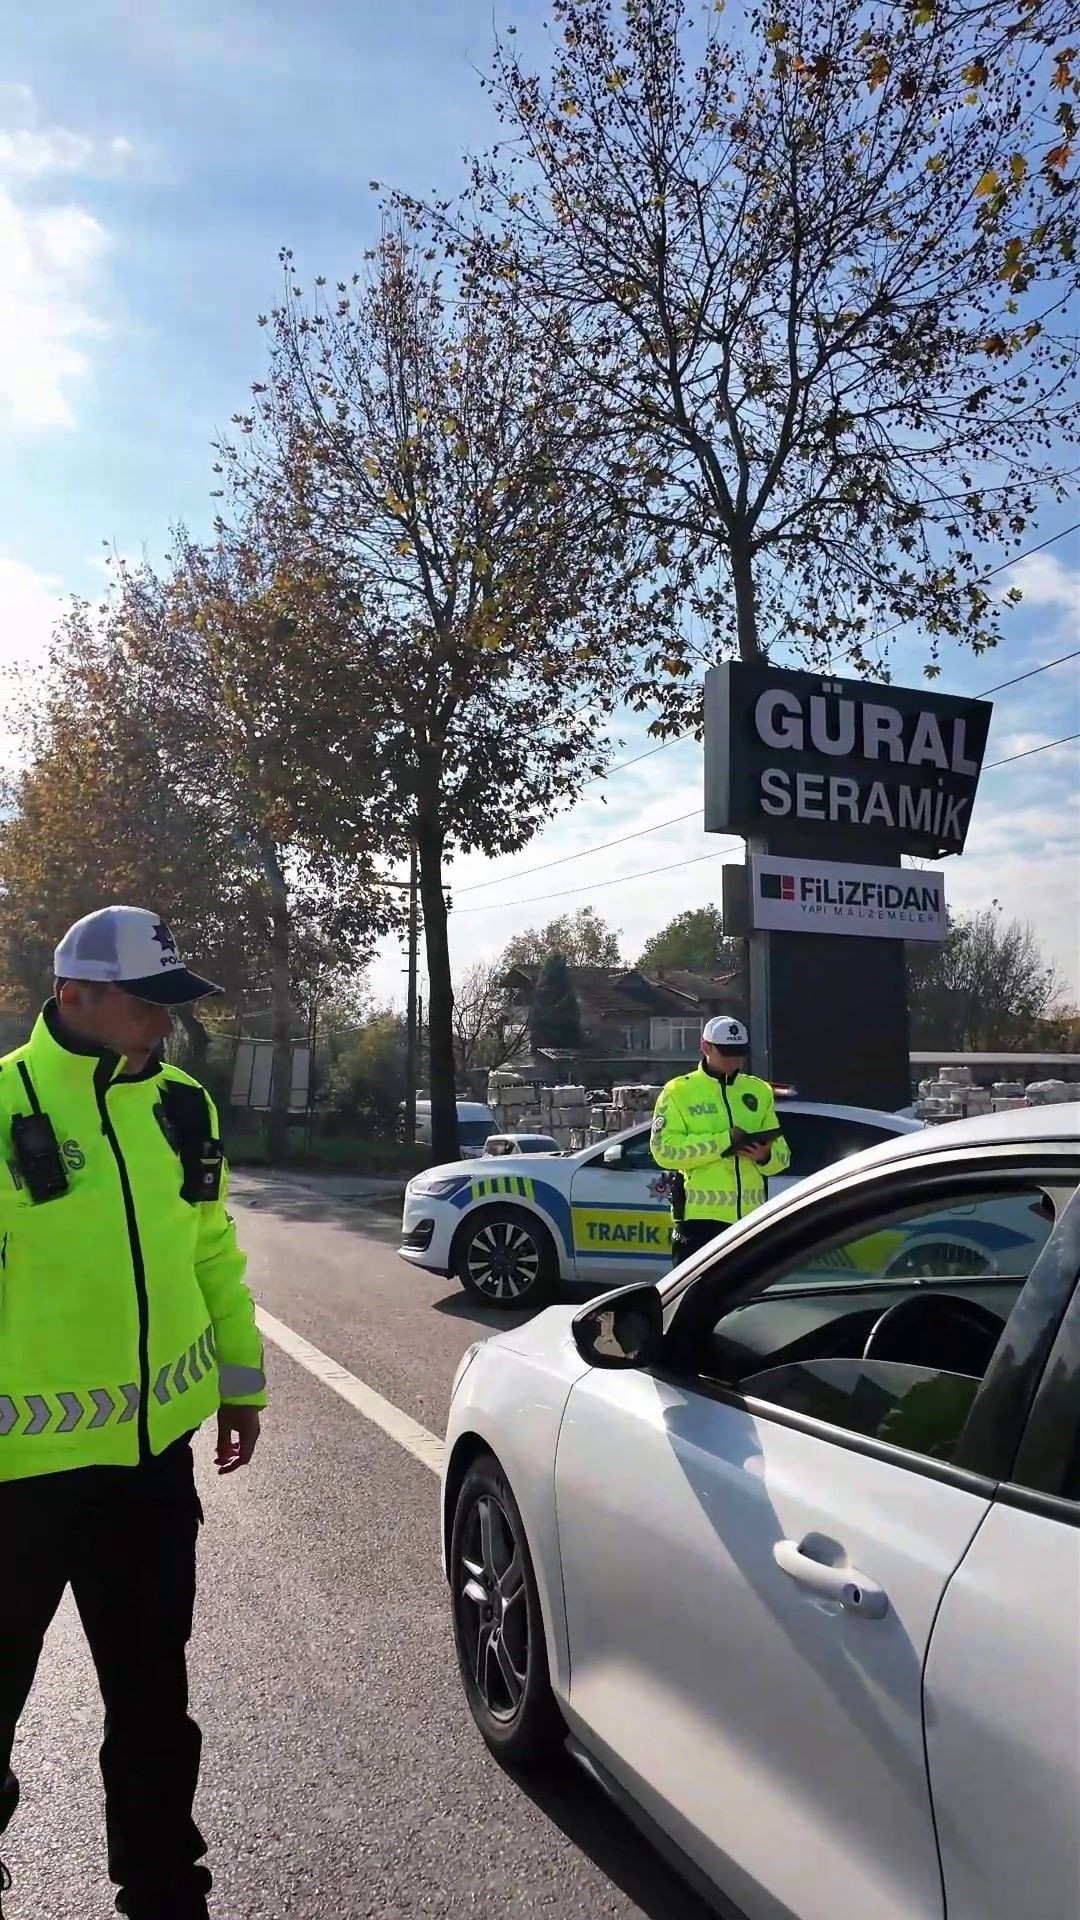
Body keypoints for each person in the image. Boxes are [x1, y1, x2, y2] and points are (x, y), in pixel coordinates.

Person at [0, 907, 266, 1920]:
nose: (166, 1021)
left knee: (155, 1703)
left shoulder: (184, 1107)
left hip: (152, 1470)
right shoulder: (4, 1104)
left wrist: (241, 1384)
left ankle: (164, 1890)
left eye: (171, 1003)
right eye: (148, 1003)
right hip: (15, 1480)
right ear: (76, 996)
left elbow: (212, 1253)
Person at [651, 1015, 791, 1265]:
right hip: (699, 1222)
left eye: (739, 1053)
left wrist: (765, 1156)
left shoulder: (758, 1091)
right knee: (696, 1300)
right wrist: (725, 1142)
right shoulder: (678, 1091)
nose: (734, 1060)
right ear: (706, 1047)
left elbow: (782, 1157)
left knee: (745, 1300)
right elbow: (664, 1151)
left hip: (751, 1220)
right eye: (726, 1052)